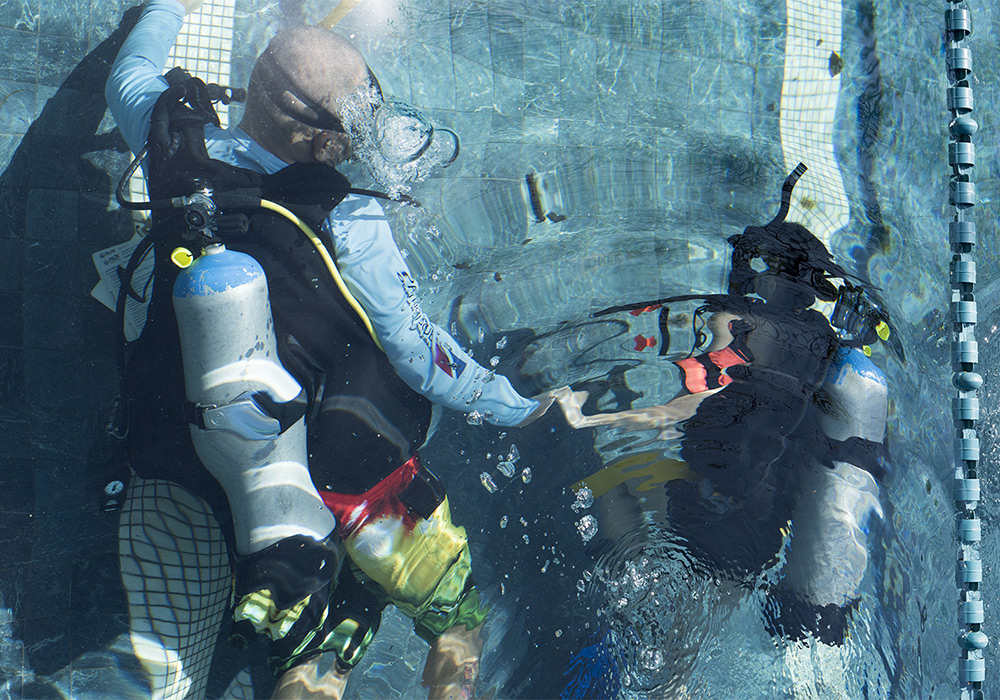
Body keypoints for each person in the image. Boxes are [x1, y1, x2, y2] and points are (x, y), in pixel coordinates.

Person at [103, 1, 555, 698]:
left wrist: (169, 5)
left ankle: (306, 673)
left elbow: (128, 74)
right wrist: (517, 406)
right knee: (458, 623)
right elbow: (418, 353)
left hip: (194, 449)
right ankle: (447, 684)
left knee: (300, 667)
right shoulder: (352, 217)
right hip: (347, 468)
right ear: (326, 147)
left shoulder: (176, 147)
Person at [554, 165, 893, 645]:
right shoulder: (823, 347)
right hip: (759, 530)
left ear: (766, 276)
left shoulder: (739, 333)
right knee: (685, 647)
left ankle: (631, 612)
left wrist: (591, 413)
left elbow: (674, 413)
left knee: (610, 484)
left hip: (709, 519)